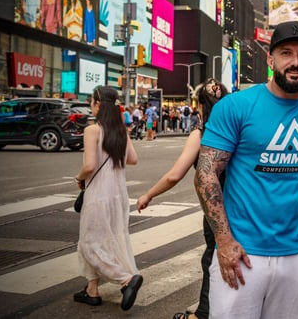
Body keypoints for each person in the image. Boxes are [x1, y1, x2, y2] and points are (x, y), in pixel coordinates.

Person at [194, 21, 298, 318]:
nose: (295, 62)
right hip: (241, 254)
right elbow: (205, 174)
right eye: (286, 53)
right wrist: (224, 241)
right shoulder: (236, 106)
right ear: (270, 58)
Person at [137, 79, 228, 319]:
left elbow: (174, 175)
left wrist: (149, 194)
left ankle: (203, 314)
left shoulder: (202, 135)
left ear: (200, 107)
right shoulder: (239, 132)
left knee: (213, 258)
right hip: (245, 210)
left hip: (215, 212)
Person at [74, 86, 142, 311]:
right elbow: (133, 159)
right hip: (118, 196)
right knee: (110, 238)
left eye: (92, 101)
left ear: (97, 104)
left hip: (99, 195)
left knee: (89, 243)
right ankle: (91, 290)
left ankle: (125, 279)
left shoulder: (92, 130)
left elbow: (90, 166)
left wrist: (79, 177)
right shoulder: (121, 129)